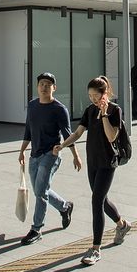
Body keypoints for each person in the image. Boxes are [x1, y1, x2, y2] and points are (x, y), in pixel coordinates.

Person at [54, 76, 131, 266]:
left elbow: (112, 136)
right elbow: (78, 133)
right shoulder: (89, 111)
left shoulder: (115, 110)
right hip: (93, 162)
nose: (93, 100)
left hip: (107, 162)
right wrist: (63, 145)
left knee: (96, 201)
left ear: (105, 94)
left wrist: (104, 114)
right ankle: (122, 225)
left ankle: (95, 249)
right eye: (90, 96)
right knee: (102, 200)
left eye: (96, 96)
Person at [18, 72, 82, 245]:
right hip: (34, 154)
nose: (44, 87)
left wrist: (76, 156)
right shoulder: (32, 106)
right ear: (37, 87)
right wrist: (22, 150)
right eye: (41, 84)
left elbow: (68, 134)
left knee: (40, 193)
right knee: (41, 190)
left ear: (54, 88)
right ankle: (65, 207)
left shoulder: (59, 109)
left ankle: (36, 229)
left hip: (51, 154)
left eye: (48, 84)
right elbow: (28, 129)